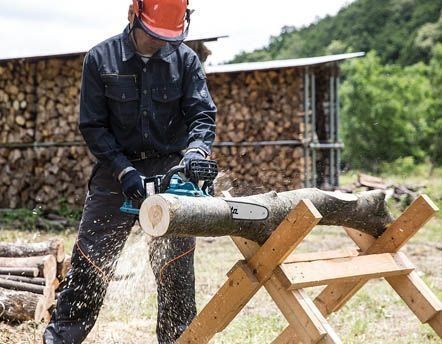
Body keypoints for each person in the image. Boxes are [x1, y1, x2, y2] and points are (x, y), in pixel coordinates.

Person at [43, 0, 217, 343]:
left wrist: (195, 153)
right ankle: (61, 338)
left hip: (170, 168)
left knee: (176, 272)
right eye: (153, 35)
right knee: (90, 266)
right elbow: (93, 126)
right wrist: (124, 171)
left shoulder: (185, 60)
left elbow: (201, 115)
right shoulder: (100, 58)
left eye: (166, 36)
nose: (158, 41)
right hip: (115, 169)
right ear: (132, 14)